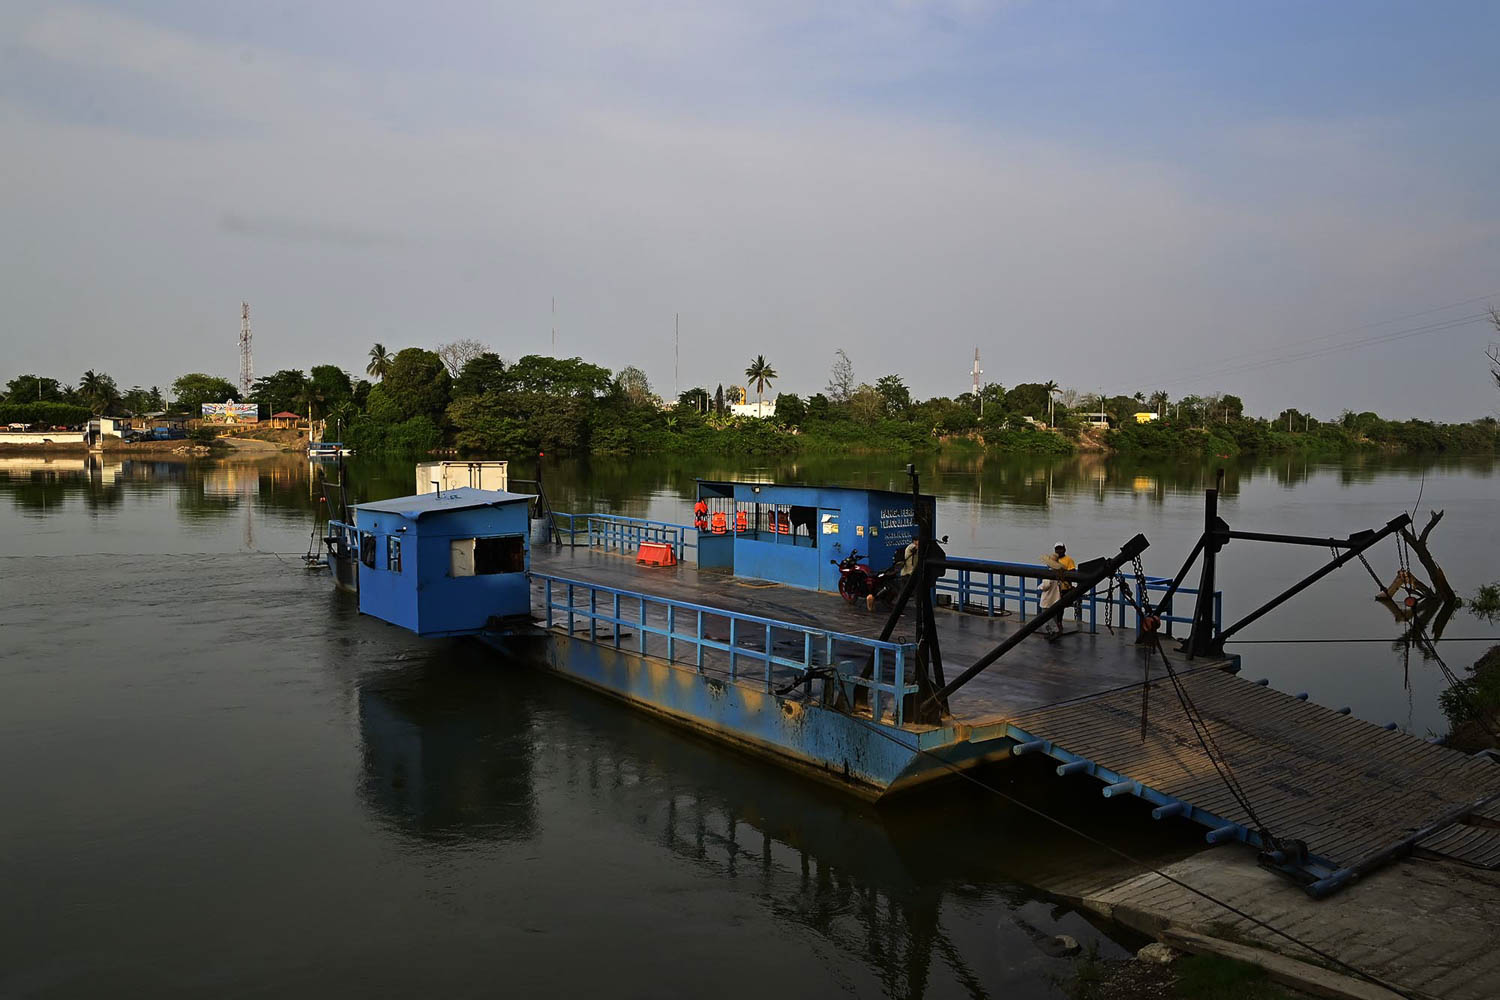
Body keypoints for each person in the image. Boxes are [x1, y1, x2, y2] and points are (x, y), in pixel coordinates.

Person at [1039, 542, 1076, 636]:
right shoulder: (1054, 571)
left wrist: (1039, 587)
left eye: (1061, 549)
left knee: (1055, 609)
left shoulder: (1068, 560)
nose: (1059, 551)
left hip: (1063, 587)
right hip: (1057, 588)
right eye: (1057, 549)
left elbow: (1072, 573)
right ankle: (1056, 626)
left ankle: (1055, 627)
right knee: (1056, 608)